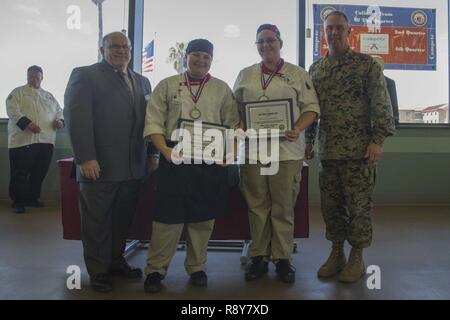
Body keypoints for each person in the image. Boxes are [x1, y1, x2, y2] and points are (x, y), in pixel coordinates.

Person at [143, 39, 240, 293]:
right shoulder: (167, 85)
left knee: (202, 220)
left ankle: (197, 267)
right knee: (167, 220)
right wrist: (164, 151)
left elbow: (233, 124)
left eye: (206, 57)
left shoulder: (221, 88)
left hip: (209, 162)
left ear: (211, 60)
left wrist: (229, 154)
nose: (201, 61)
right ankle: (155, 270)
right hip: (173, 158)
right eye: (196, 55)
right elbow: (153, 121)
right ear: (187, 56)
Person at [306, 11, 395, 283]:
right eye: (329, 28)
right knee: (331, 207)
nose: (333, 32)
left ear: (349, 31)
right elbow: (312, 109)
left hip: (359, 153)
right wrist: (309, 142)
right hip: (328, 151)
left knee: (358, 208)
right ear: (324, 32)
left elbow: (382, 106)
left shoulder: (366, 65)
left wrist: (377, 140)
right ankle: (336, 253)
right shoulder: (316, 69)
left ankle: (357, 255)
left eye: (339, 28)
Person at [64, 31, 152, 292]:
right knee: (96, 223)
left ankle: (115, 261)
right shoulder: (85, 75)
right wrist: (86, 157)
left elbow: (149, 122)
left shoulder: (143, 81)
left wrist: (153, 155)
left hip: (133, 167)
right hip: (98, 166)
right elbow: (77, 118)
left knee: (121, 221)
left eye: (125, 46)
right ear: (102, 49)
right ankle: (98, 271)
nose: (121, 50)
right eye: (114, 46)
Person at [233, 24, 320, 283]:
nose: (265, 45)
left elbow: (312, 109)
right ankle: (258, 257)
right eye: (260, 42)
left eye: (270, 40)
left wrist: (297, 128)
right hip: (254, 152)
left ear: (280, 42)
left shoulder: (297, 74)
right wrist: (240, 128)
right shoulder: (245, 74)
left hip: (287, 151)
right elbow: (234, 110)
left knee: (283, 207)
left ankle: (282, 259)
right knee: (257, 206)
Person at [6, 66, 64, 214]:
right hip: (23, 140)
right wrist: (28, 124)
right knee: (20, 173)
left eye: (37, 77)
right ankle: (18, 202)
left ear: (42, 77)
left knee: (39, 172)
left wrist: (60, 121)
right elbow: (12, 110)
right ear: (27, 77)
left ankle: (32, 198)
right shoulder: (18, 92)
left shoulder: (49, 96)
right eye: (31, 76)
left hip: (46, 140)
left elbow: (59, 112)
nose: (35, 79)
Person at [372, 56, 399, 125]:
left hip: (384, 120)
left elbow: (393, 101)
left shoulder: (390, 83)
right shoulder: (362, 81)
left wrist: (395, 118)